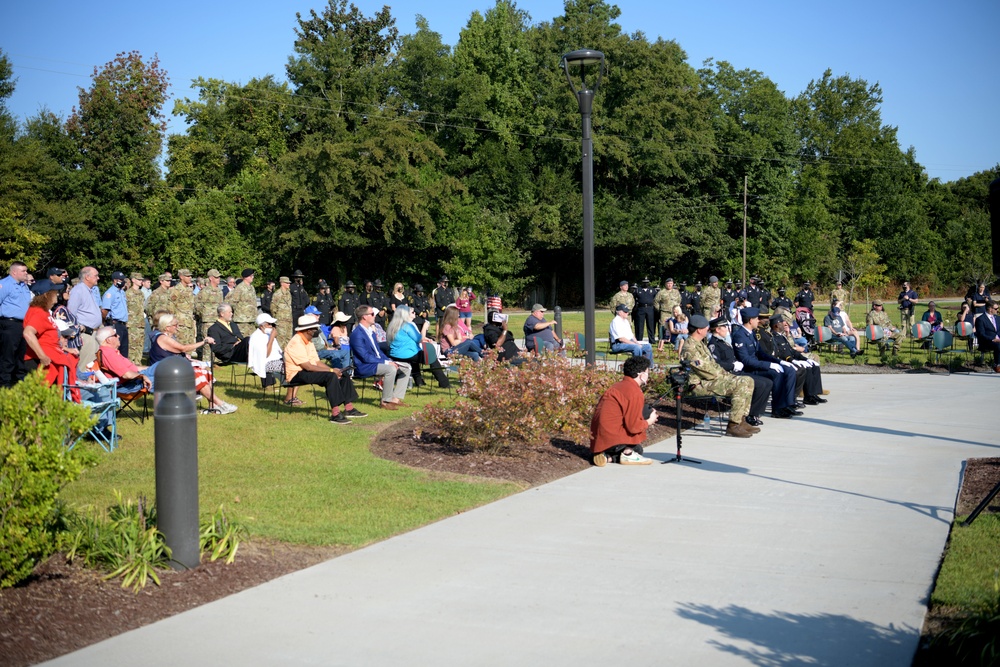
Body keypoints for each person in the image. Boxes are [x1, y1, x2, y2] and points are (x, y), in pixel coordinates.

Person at [681, 314, 757, 438]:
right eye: (706, 328)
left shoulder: (700, 343)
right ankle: (733, 425)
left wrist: (725, 375)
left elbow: (713, 365)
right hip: (700, 384)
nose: (708, 330)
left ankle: (741, 420)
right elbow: (705, 370)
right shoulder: (690, 347)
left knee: (748, 380)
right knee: (740, 383)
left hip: (711, 380)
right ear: (699, 330)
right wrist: (723, 377)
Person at [149, 313, 237, 414]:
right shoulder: (163, 338)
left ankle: (213, 405)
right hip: (163, 372)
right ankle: (221, 404)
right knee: (196, 373)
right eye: (175, 325)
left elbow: (178, 352)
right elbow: (183, 348)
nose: (177, 327)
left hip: (171, 369)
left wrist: (187, 357)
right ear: (167, 327)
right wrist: (204, 342)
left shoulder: (167, 338)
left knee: (205, 372)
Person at [285, 314, 364, 422]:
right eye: (315, 328)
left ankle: (349, 408)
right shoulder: (296, 342)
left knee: (343, 373)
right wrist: (331, 371)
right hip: (296, 374)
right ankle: (336, 413)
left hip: (307, 370)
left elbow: (317, 362)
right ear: (308, 330)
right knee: (330, 376)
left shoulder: (308, 341)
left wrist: (335, 370)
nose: (318, 330)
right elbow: (307, 366)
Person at [732, 307, 800, 419]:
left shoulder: (751, 333)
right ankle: (777, 408)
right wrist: (769, 365)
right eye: (756, 319)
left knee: (785, 370)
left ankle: (783, 405)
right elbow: (746, 360)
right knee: (776, 373)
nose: (758, 321)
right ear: (750, 321)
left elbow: (761, 353)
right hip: (748, 369)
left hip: (756, 365)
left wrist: (779, 362)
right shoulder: (740, 336)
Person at [589, 356, 657, 466]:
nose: (648, 375)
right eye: (647, 372)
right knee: (638, 448)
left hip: (599, 437)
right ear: (641, 374)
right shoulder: (634, 391)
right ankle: (627, 453)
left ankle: (607, 456)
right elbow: (633, 426)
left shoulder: (617, 386)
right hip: (614, 437)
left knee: (643, 411)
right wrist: (649, 421)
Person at [707, 317, 770, 427]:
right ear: (717, 330)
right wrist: (732, 365)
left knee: (767, 382)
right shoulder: (713, 344)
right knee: (760, 384)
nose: (727, 329)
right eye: (725, 327)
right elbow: (716, 364)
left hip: (737, 372)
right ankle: (749, 415)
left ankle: (755, 413)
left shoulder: (724, 342)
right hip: (729, 374)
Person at [22, 285, 79, 396]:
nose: (57, 295)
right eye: (54, 292)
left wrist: (65, 348)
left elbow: (47, 337)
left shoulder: (44, 311)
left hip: (49, 356)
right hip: (40, 361)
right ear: (46, 295)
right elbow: (28, 333)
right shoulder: (38, 312)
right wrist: (42, 356)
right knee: (40, 397)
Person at [350, 305, 411, 409]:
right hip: (365, 366)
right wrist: (387, 363)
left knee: (406, 367)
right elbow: (365, 357)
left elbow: (378, 352)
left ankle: (395, 399)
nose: (375, 316)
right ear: (364, 317)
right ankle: (385, 401)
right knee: (390, 369)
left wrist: (389, 360)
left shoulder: (370, 331)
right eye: (372, 314)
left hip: (376, 362)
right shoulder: (357, 334)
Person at [764, 314, 826, 405]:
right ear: (776, 325)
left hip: (791, 359)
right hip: (785, 361)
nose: (784, 324)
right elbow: (781, 354)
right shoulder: (773, 337)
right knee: (804, 369)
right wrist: (792, 361)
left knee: (813, 365)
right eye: (782, 323)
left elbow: (792, 351)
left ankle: (813, 394)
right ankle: (797, 397)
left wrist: (805, 359)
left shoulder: (782, 336)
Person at [387, 304, 450, 388]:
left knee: (415, 359)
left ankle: (419, 381)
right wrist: (424, 327)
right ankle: (444, 383)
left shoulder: (391, 326)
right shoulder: (407, 326)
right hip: (408, 354)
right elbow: (419, 339)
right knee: (432, 358)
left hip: (394, 355)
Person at [247, 313, 297, 404]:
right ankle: (289, 398)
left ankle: (292, 397)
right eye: (270, 324)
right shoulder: (256, 337)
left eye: (273, 325)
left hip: (278, 360)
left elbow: (278, 351)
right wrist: (272, 338)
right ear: (262, 326)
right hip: (267, 363)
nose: (273, 327)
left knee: (298, 364)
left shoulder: (268, 334)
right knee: (293, 369)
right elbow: (265, 355)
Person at [94, 326, 157, 393]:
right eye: (115, 335)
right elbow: (127, 375)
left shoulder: (111, 351)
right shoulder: (109, 354)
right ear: (108, 340)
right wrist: (142, 376)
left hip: (135, 377)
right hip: (129, 384)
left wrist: (151, 368)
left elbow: (134, 368)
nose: (118, 336)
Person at [0, 261, 32, 387]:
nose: (26, 273)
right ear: (14, 272)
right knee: (8, 356)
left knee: (21, 356)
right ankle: (4, 386)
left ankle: (19, 384)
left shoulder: (24, 286)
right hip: (10, 324)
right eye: (23, 271)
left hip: (24, 325)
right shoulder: (4, 285)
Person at [67, 266, 104, 372]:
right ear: (87, 277)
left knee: (94, 364)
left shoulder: (89, 290)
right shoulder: (78, 291)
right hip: (85, 334)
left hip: (94, 333)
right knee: (86, 365)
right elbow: (71, 314)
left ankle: (91, 386)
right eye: (96, 276)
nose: (98, 278)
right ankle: (81, 387)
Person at [102, 271, 130, 359]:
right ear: (115, 281)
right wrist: (105, 322)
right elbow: (104, 310)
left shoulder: (122, 292)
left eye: (123, 279)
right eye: (120, 280)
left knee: (124, 350)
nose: (122, 281)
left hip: (123, 324)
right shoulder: (110, 293)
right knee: (116, 349)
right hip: (115, 323)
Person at [168, 269, 197, 346]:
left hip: (189, 322)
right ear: (181, 277)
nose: (190, 277)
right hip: (180, 323)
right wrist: (173, 322)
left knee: (189, 346)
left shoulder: (189, 290)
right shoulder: (176, 290)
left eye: (190, 276)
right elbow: (171, 306)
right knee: (180, 345)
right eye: (187, 276)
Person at [194, 269, 225, 340]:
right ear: (211, 278)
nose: (218, 279)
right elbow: (197, 305)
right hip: (208, 322)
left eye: (219, 277)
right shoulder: (205, 291)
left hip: (218, 321)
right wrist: (204, 314)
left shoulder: (219, 291)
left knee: (217, 343)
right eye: (216, 277)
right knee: (207, 344)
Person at [226, 268, 258, 335]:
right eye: (251, 276)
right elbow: (232, 302)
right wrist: (239, 311)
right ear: (246, 277)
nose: (253, 277)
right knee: (243, 340)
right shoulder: (240, 288)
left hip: (251, 319)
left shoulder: (252, 288)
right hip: (242, 320)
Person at [974, 299, 1000, 372]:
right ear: (990, 309)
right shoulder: (981, 319)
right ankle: (997, 365)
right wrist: (992, 339)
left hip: (998, 340)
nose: (997, 310)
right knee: (998, 345)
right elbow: (981, 333)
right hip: (987, 342)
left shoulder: (998, 318)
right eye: (995, 309)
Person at [270, 277, 293, 348]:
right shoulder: (277, 294)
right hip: (281, 321)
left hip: (289, 320)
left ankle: (287, 355)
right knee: (281, 340)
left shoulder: (288, 293)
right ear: (282, 283)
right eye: (287, 283)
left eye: (289, 283)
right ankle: (280, 356)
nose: (289, 284)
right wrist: (277, 318)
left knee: (288, 339)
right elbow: (273, 308)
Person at [633, 277, 657, 343]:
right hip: (641, 308)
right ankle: (639, 339)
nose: (645, 284)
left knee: (651, 325)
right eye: (644, 282)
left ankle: (652, 340)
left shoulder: (653, 290)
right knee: (640, 325)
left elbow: (656, 299)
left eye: (647, 282)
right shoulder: (638, 290)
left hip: (650, 308)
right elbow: (633, 299)